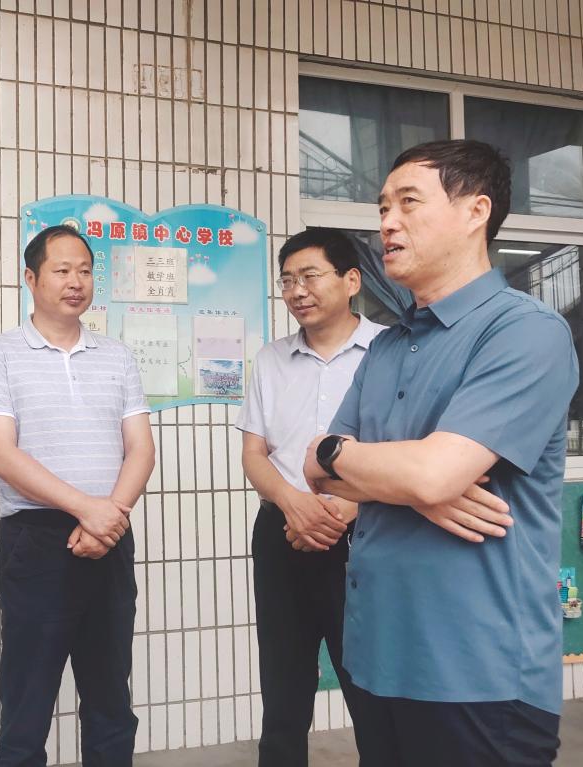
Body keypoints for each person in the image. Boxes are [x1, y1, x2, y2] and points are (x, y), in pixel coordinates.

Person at [303, 139, 579, 767]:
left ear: (476, 211)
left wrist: (367, 466)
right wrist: (367, 467)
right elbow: (316, 468)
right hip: (377, 657)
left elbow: (431, 474)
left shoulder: (524, 331)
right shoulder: (387, 346)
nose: (387, 223)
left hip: (478, 672)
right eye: (383, 208)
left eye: (408, 203)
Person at [0, 224, 155, 767]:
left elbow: (141, 449)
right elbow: (1, 456)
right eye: (62, 270)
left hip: (110, 536)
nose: (76, 282)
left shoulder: (117, 356)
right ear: (31, 278)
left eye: (85, 271)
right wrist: (88, 509)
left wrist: (109, 517)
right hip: (37, 541)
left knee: (110, 698)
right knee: (27, 703)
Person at [238, 229, 381, 766]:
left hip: (367, 536)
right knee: (283, 683)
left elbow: (411, 451)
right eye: (287, 280)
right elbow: (254, 453)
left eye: (310, 276)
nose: (297, 290)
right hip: (282, 532)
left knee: (371, 681)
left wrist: (351, 508)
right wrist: (293, 504)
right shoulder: (270, 360)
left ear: (351, 280)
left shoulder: (389, 352)